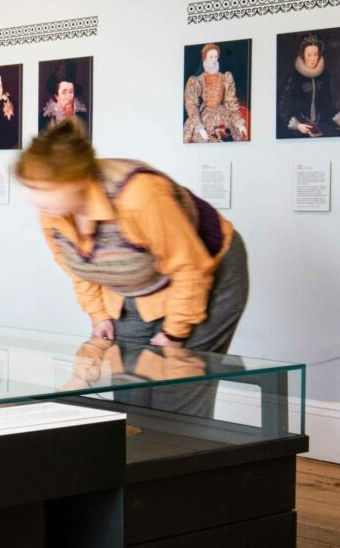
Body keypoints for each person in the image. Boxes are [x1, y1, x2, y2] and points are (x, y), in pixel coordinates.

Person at [16, 117, 247, 356]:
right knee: (128, 379)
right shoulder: (50, 212)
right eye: (29, 187)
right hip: (141, 280)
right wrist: (99, 316)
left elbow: (190, 268)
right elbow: (78, 268)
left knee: (175, 381)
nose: (31, 199)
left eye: (42, 189)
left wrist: (174, 333)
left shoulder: (138, 195)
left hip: (207, 269)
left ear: (77, 182)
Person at [278, 33, 340, 138]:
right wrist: (297, 125)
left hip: (320, 125)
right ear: (303, 55)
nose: (313, 58)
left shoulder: (323, 75)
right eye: (309, 55)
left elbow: (328, 103)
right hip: (299, 129)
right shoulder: (294, 77)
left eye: (315, 54)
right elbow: (283, 107)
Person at [183, 43, 249, 143]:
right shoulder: (197, 80)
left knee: (227, 137)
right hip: (205, 115)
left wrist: (239, 123)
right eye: (211, 57)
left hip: (223, 114)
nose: (214, 59)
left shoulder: (225, 77)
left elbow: (231, 101)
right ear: (205, 58)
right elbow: (191, 104)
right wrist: (200, 127)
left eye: (216, 56)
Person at [40, 60, 88, 130]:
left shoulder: (81, 116)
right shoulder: (45, 118)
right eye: (64, 92)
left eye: (71, 92)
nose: (69, 97)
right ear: (56, 96)